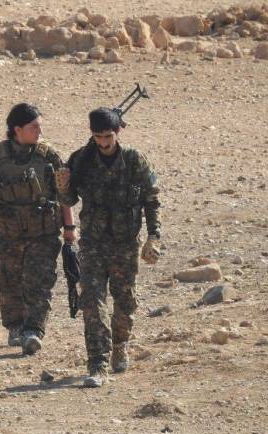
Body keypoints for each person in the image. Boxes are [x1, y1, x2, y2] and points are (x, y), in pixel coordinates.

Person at [55, 107, 161, 387]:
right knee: (92, 300)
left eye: (108, 137)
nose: (103, 143)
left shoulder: (134, 160)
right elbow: (68, 200)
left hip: (125, 244)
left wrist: (154, 236)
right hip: (93, 243)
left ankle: (120, 345)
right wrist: (63, 186)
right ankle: (97, 363)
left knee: (124, 301)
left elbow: (152, 199)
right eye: (98, 137)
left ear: (118, 132)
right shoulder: (81, 159)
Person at [0, 103, 76, 355]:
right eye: (34, 127)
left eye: (40, 126)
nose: (40, 131)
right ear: (17, 129)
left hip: (43, 233)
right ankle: (15, 326)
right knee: (7, 282)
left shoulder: (48, 156)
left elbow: (64, 194)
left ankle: (33, 331)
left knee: (39, 282)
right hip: (6, 234)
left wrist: (70, 228)